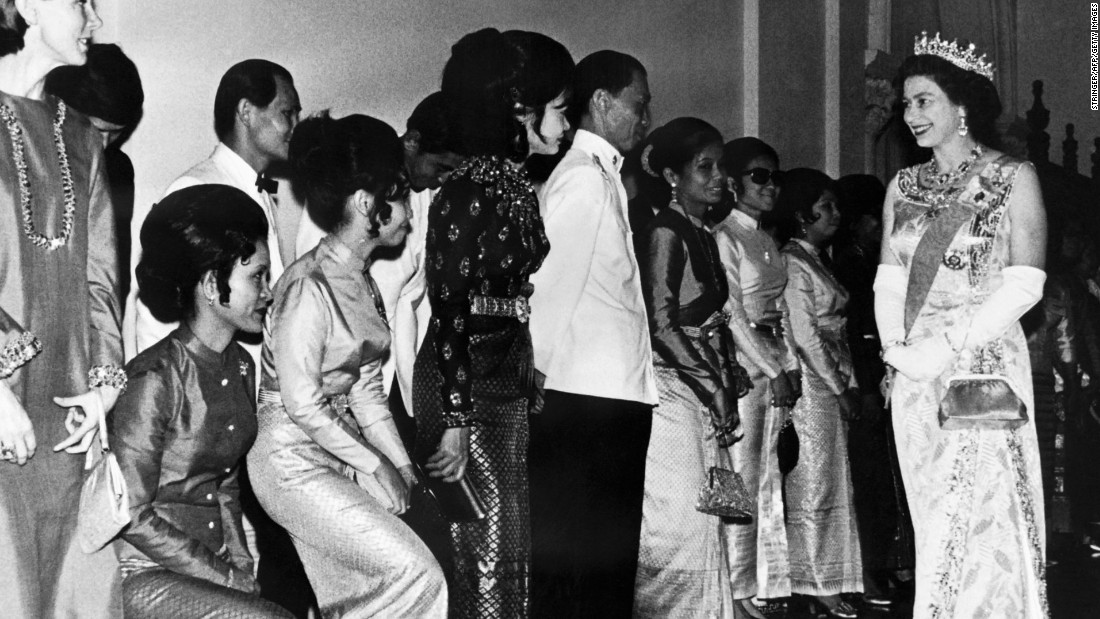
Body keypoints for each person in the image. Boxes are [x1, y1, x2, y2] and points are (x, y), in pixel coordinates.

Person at [248, 112, 447, 616]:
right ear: (366, 204)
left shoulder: (358, 279)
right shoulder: (308, 286)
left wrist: (404, 469)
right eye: (400, 195)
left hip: (335, 445)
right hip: (289, 459)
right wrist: (375, 464)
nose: (409, 210)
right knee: (413, 573)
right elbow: (301, 402)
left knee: (385, 583)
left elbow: (364, 390)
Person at [877, 33, 1048, 617]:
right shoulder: (902, 187)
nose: (911, 115)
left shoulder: (1012, 177)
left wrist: (944, 346)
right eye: (906, 104)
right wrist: (898, 353)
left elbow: (1025, 283)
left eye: (924, 101)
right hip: (916, 372)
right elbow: (889, 281)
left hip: (983, 362)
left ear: (961, 106)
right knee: (932, 509)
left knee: (982, 509)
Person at [412, 28, 572, 618]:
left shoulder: (514, 184)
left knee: (512, 545)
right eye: (558, 110)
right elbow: (449, 309)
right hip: (464, 380)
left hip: (504, 370)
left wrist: (527, 367)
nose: (565, 126)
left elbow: (512, 295)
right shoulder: (464, 192)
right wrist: (454, 421)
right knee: (481, 544)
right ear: (517, 111)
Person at [111, 185, 291, 618]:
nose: (269, 291)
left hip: (209, 570)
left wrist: (242, 564)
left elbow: (225, 484)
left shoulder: (241, 369)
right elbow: (130, 513)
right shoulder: (153, 378)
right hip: (144, 572)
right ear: (213, 284)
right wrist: (227, 578)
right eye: (257, 277)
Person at [0, 1, 126, 615]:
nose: (93, 22)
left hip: (67, 413)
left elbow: (102, 278)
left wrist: (103, 388)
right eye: (81, 2)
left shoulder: (82, 136)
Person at [527, 49, 656, 619]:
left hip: (610, 394)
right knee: (585, 560)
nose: (645, 120)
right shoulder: (582, 178)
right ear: (602, 103)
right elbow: (550, 291)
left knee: (607, 558)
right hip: (586, 400)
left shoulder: (599, 175)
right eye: (639, 106)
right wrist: (538, 381)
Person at [631, 117, 745, 617]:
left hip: (701, 382)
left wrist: (727, 373)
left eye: (722, 167)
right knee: (677, 521)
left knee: (705, 520)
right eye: (705, 167)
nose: (719, 177)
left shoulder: (702, 231)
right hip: (672, 388)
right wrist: (712, 385)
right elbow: (661, 323)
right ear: (673, 176)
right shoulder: (664, 231)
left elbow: (713, 318)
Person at [296, 91, 465, 421]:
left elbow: (413, 299)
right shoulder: (344, 194)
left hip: (393, 376)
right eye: (441, 166)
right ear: (413, 142)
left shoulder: (428, 198)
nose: (443, 179)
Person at [126, 58, 301, 359]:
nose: (294, 127)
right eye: (286, 113)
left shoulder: (260, 189)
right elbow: (158, 315)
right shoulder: (194, 188)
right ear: (246, 111)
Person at [712, 136, 800, 618]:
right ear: (732, 182)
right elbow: (734, 314)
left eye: (775, 177)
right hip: (744, 366)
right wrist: (769, 368)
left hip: (772, 364)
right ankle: (732, 589)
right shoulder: (725, 235)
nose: (770, 186)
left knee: (769, 477)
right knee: (741, 479)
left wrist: (791, 365)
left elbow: (780, 311)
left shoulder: (766, 239)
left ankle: (763, 584)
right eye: (758, 176)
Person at [774, 168, 863, 618]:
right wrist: (839, 387)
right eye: (825, 206)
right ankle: (811, 581)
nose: (836, 214)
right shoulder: (792, 261)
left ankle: (828, 577)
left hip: (832, 379)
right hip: (812, 384)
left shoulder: (816, 257)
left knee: (830, 481)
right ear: (801, 214)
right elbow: (805, 336)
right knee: (811, 482)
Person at [833, 174, 914, 605]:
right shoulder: (851, 263)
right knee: (869, 480)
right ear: (865, 221)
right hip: (863, 381)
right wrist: (866, 386)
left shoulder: (866, 260)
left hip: (874, 379)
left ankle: (890, 562)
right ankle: (874, 569)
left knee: (885, 477)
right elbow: (859, 333)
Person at [46, 42, 144, 303]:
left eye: (116, 134)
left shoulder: (118, 169)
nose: (102, 145)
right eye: (96, 130)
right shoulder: (32, 158)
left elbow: (115, 270)